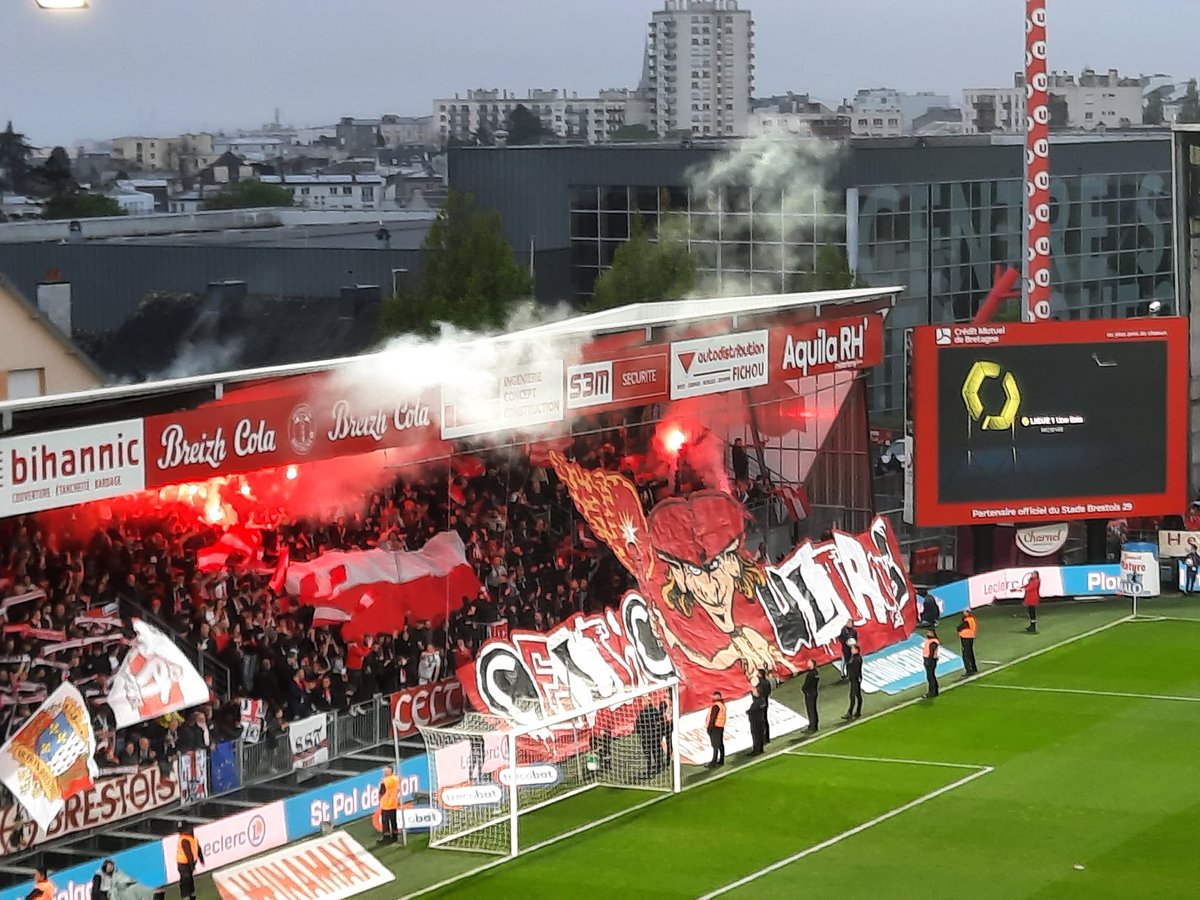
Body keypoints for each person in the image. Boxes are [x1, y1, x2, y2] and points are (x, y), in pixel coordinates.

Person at [174, 822, 204, 900]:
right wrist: (192, 867)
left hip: (189, 863)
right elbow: (188, 854)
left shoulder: (193, 838)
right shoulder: (184, 839)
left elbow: (198, 848)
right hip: (183, 864)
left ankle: (192, 895)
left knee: (190, 880)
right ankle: (186, 897)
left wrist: (201, 859)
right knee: (186, 880)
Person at [377, 764, 401, 844]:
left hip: (386, 804)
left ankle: (386, 838)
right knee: (393, 821)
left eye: (386, 771)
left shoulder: (385, 781)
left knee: (385, 821)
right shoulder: (396, 778)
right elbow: (398, 789)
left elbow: (382, 792)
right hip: (393, 803)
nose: (384, 772)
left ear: (390, 771)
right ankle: (395, 836)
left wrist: (379, 798)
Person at [841, 640, 863, 721]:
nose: (851, 650)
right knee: (858, 696)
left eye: (853, 649)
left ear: (856, 650)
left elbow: (856, 670)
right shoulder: (854, 658)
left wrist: (856, 678)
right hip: (854, 679)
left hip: (855, 680)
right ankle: (858, 711)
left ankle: (850, 713)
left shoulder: (856, 659)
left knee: (852, 696)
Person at [705, 690, 726, 768]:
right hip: (720, 727)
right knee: (720, 744)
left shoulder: (716, 706)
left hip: (715, 728)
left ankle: (714, 761)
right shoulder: (722, 705)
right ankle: (721, 760)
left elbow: (712, 717)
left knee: (715, 745)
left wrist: (709, 728)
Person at [747, 684, 767, 756]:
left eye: (755, 691)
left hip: (756, 721)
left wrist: (748, 712)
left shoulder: (757, 702)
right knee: (760, 735)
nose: (753, 692)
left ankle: (756, 750)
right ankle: (760, 749)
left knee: (756, 736)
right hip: (761, 720)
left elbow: (751, 711)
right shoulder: (762, 700)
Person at [956, 610, 978, 676]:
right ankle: (974, 668)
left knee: (966, 654)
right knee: (970, 653)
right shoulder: (972, 619)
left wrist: (958, 628)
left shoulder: (967, 620)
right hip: (971, 636)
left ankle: (969, 670)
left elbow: (960, 627)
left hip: (965, 637)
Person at [801, 659, 820, 732]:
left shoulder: (811, 674)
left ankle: (812, 726)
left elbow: (807, 684)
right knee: (813, 709)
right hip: (814, 692)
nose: (807, 663)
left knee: (811, 710)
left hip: (809, 693)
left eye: (809, 662)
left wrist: (804, 689)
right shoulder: (816, 673)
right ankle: (814, 725)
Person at [755, 666, 773, 744]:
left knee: (761, 721)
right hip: (766, 701)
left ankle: (763, 737)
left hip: (760, 703)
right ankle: (767, 737)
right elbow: (769, 691)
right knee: (765, 719)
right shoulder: (767, 682)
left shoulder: (760, 684)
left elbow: (758, 694)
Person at [922, 629, 940, 698]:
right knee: (931, 675)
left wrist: (928, 661)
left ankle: (932, 692)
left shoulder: (933, 642)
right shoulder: (930, 641)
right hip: (930, 659)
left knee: (930, 676)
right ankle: (935, 691)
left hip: (930, 660)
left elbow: (931, 652)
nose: (928, 634)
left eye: (929, 632)